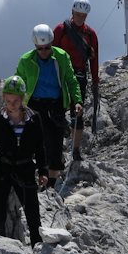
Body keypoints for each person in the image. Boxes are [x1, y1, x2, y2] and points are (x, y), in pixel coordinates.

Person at [0, 75, 49, 246]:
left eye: (15, 100)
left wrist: (43, 171)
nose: (11, 104)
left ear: (23, 98)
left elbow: (40, 147)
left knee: (33, 215)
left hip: (25, 168)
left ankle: (37, 249)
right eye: (8, 100)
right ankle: (1, 249)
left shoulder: (34, 118)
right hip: (2, 169)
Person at [15, 24, 82, 187]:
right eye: (40, 48)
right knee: (40, 142)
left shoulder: (61, 57)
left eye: (47, 48)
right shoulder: (26, 60)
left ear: (51, 44)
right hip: (35, 106)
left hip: (56, 106)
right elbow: (19, 82)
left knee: (56, 144)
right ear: (35, 47)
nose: (44, 51)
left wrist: (77, 101)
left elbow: (71, 80)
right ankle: (39, 178)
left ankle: (51, 184)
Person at [53, 0, 99, 161]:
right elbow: (51, 52)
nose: (80, 18)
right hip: (60, 75)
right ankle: (57, 147)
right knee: (57, 111)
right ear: (72, 12)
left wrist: (95, 80)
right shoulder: (61, 29)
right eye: (78, 14)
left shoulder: (90, 34)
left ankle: (76, 150)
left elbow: (94, 58)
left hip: (79, 75)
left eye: (83, 15)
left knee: (77, 113)